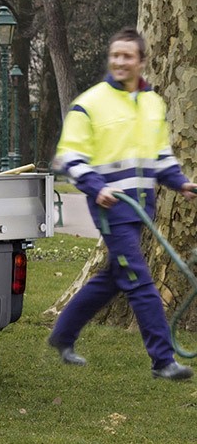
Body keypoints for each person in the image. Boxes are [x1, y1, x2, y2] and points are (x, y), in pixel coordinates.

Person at [50, 27, 196, 380]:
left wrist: (181, 183)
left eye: (127, 56)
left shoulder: (152, 103)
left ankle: (63, 334)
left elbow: (159, 155)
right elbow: (69, 157)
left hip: (141, 207)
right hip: (110, 207)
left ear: (141, 61)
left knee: (115, 277)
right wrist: (96, 186)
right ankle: (163, 361)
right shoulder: (90, 103)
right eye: (115, 55)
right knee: (139, 280)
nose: (119, 61)